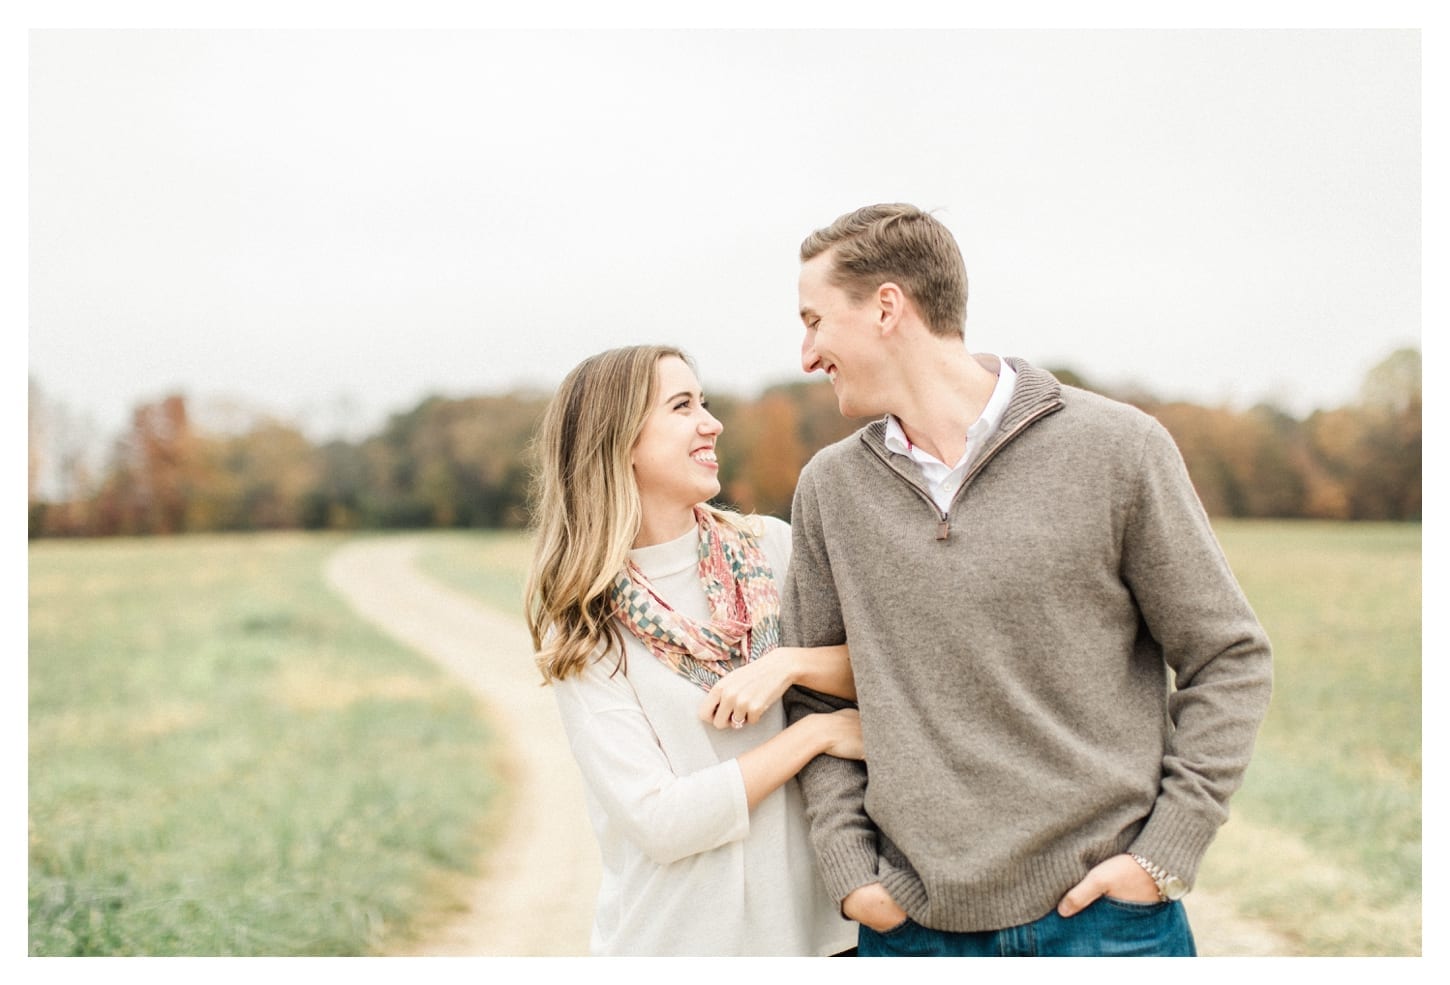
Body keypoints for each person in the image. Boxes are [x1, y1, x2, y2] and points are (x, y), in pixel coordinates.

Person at [781, 204, 1273, 957]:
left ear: (887, 306)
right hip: (912, 933)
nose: (808, 352)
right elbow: (815, 691)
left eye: (815, 320)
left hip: (1107, 930)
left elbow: (1229, 655)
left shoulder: (1117, 449)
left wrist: (1165, 851)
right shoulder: (830, 489)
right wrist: (852, 873)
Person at [524, 344, 861, 957]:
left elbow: (886, 670)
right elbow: (659, 821)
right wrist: (812, 736)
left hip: (830, 937)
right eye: (683, 406)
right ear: (619, 440)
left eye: (703, 402)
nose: (713, 422)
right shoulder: (583, 621)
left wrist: (788, 664)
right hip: (682, 943)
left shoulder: (773, 549)